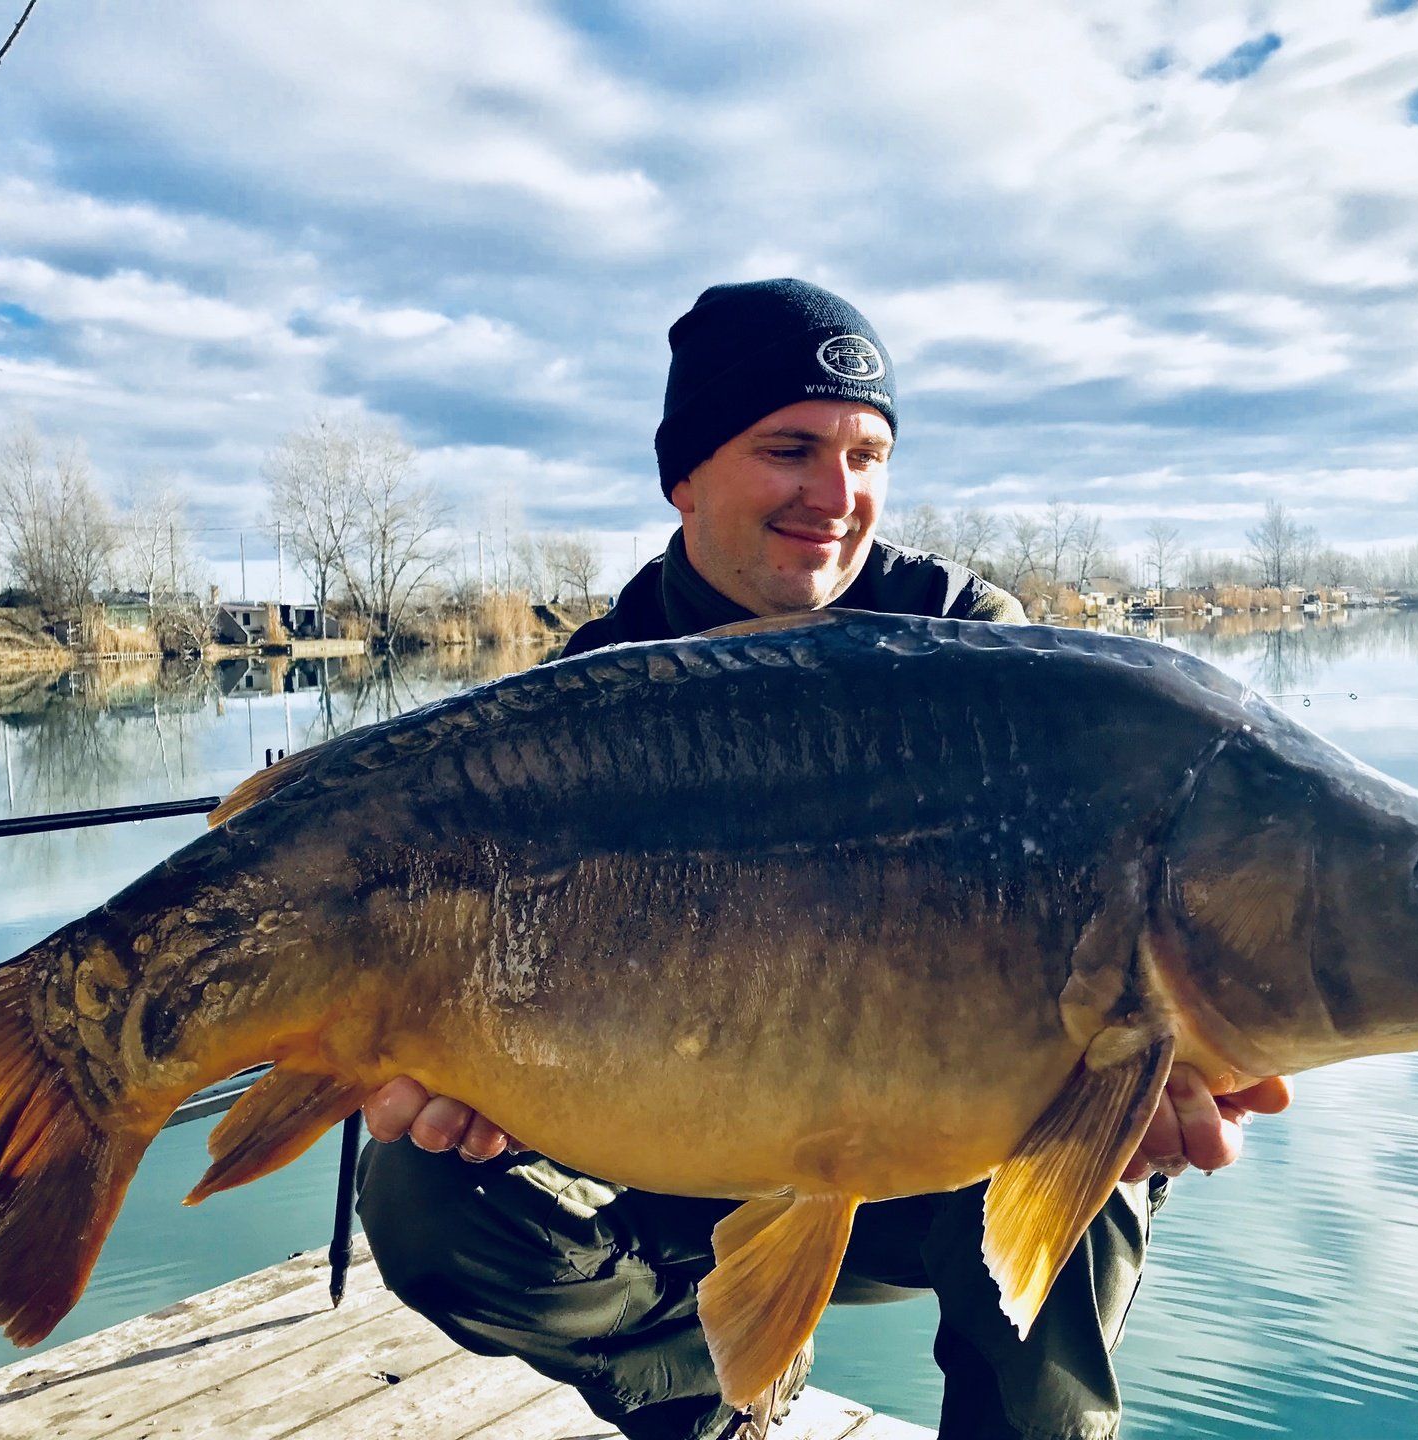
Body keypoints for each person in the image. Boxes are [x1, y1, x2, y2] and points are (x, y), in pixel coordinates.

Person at [355, 279, 1291, 1440]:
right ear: (685, 474)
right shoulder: (590, 695)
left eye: (867, 453)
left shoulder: (982, 655)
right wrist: (462, 1061)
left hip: (929, 1161)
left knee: (1096, 1116)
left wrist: (1178, 1042)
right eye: (789, 448)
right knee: (423, 1196)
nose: (835, 495)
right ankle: (713, 1386)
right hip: (670, 1148)